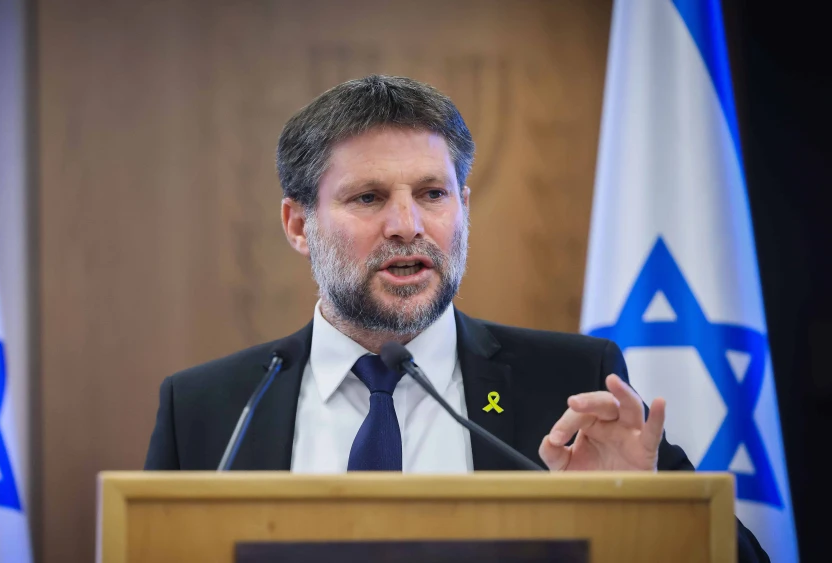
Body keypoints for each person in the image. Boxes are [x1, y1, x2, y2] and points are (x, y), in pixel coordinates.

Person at [144, 75, 768, 561]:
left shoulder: (573, 383)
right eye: (368, 198)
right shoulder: (209, 409)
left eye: (432, 194)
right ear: (299, 225)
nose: (408, 225)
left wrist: (646, 511)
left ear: (462, 207)